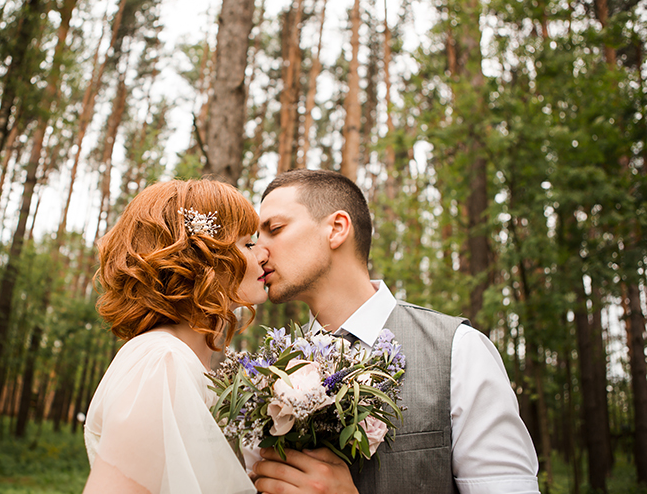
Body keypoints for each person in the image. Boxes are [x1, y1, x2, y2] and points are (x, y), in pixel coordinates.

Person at [251, 169, 540, 494]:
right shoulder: (270, 370)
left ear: (336, 229)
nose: (258, 252)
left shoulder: (459, 350)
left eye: (273, 229)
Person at [82, 179, 267, 494]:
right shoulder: (161, 362)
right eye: (248, 244)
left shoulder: (182, 363)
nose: (264, 254)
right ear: (202, 259)